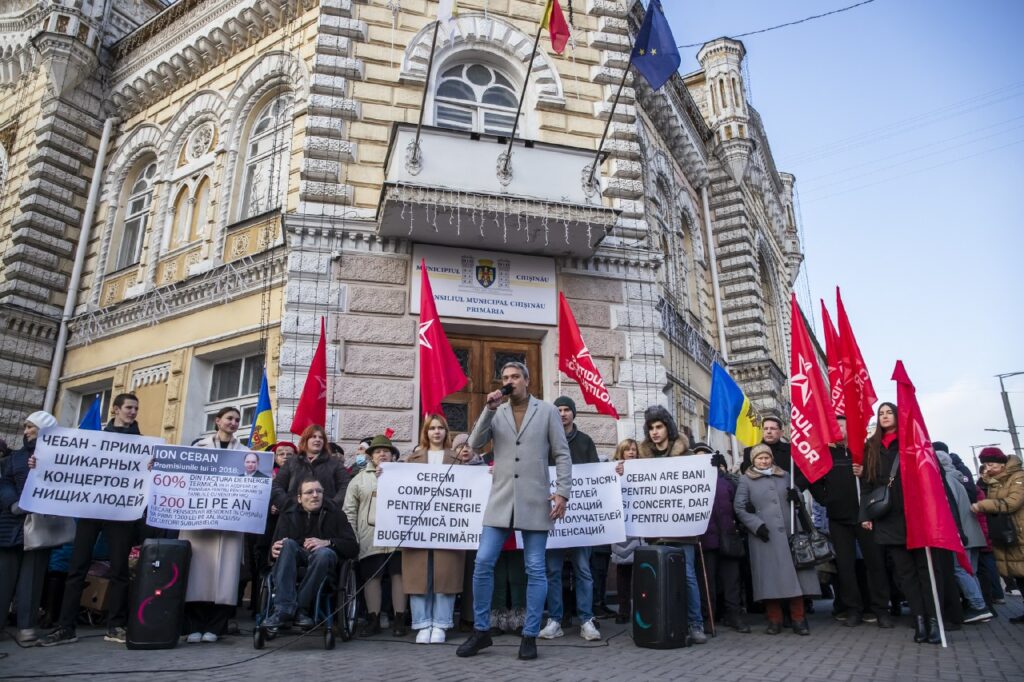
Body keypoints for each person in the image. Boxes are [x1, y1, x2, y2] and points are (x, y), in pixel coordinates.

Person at [456, 361, 572, 661]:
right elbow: (476, 444)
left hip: (535, 500)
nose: (510, 381)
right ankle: (482, 631)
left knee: (535, 568)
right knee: (483, 562)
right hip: (501, 500)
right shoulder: (498, 411)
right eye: (505, 377)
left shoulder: (546, 411)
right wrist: (488, 409)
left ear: (527, 380)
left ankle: (530, 635)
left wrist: (562, 493)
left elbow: (561, 453)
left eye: (515, 377)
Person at [40, 393, 143, 647]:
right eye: (129, 407)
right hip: (90, 507)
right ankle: (66, 626)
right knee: (77, 567)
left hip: (120, 511)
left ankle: (116, 625)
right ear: (116, 409)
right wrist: (38, 463)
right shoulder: (94, 438)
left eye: (136, 408)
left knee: (119, 569)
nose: (133, 412)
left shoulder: (141, 442)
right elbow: (67, 462)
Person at [860, 402, 942, 644]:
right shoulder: (871, 447)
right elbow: (867, 484)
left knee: (924, 570)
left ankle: (933, 620)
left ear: (898, 416)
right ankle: (918, 620)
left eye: (889, 413)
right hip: (888, 517)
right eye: (881, 413)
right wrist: (865, 515)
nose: (884, 417)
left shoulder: (911, 442)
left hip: (915, 513)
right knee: (905, 574)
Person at [806, 415, 891, 628]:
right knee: (845, 567)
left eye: (842, 425)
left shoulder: (864, 451)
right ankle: (853, 609)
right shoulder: (824, 454)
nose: (837, 429)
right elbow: (813, 479)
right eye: (834, 426)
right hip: (838, 518)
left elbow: (881, 478)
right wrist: (826, 499)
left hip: (865, 517)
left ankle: (881, 609)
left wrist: (863, 474)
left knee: (875, 564)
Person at [636, 405, 707, 644]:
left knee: (686, 576)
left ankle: (695, 623)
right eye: (651, 428)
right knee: (656, 576)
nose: (654, 432)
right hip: (656, 529)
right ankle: (660, 621)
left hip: (683, 529)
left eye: (659, 426)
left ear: (668, 427)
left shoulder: (686, 457)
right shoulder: (642, 459)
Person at [181, 406, 250, 643]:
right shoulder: (196, 448)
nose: (233, 423)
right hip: (199, 524)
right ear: (217, 421)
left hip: (228, 526)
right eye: (229, 418)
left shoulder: (246, 453)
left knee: (224, 578)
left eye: (237, 420)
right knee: (197, 576)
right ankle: (193, 626)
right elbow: (180, 476)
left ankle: (215, 627)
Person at [734, 444, 818, 635]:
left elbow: (798, 498)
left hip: (789, 533)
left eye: (767, 457)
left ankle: (798, 619)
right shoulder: (746, 480)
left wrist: (795, 496)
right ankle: (774, 620)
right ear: (753, 460)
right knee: (769, 580)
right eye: (759, 458)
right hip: (764, 537)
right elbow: (739, 507)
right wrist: (756, 525)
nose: (763, 461)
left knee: (796, 579)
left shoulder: (784, 475)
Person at [538, 396, 600, 642]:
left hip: (581, 518)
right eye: (559, 410)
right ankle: (555, 619)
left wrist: (614, 471)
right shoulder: (545, 441)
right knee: (552, 570)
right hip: (552, 516)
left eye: (566, 410)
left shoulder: (585, 441)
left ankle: (586, 619)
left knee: (583, 570)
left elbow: (596, 474)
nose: (562, 414)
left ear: (573, 414)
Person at [261, 477, 359, 629]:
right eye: (309, 492)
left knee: (323, 553)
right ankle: (284, 609)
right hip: (295, 560)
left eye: (319, 491)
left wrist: (328, 542)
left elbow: (353, 547)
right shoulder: (288, 514)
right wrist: (273, 551)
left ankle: (301, 608)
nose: (315, 495)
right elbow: (275, 547)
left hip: (326, 563)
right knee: (287, 544)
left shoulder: (336, 514)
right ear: (299, 498)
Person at [404, 414, 465, 644]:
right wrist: (384, 474)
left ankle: (441, 623)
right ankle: (421, 623)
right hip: (419, 528)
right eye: (432, 428)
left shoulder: (457, 459)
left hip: (447, 527)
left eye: (441, 428)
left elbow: (469, 489)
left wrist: (484, 475)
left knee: (444, 574)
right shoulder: (412, 459)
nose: (436, 432)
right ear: (426, 432)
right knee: (419, 575)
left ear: (446, 432)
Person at [0, 411, 58, 645]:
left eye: (30, 427)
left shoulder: (60, 458)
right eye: (25, 427)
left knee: (31, 580)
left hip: (40, 526)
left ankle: (26, 627)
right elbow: (4, 482)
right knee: (3, 578)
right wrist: (14, 503)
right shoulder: (13, 459)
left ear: (44, 430)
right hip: (10, 525)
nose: (25, 432)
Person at [343, 435, 407, 637]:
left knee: (399, 576)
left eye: (386, 451)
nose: (382, 454)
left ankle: (399, 619)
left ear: (392, 455)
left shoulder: (405, 475)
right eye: (378, 451)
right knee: (372, 578)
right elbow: (349, 511)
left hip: (398, 535)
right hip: (370, 536)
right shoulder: (359, 479)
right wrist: (353, 537)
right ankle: (373, 619)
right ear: (371, 456)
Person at [935, 446, 993, 623]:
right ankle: (980, 606)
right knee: (970, 571)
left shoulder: (946, 480)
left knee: (960, 569)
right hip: (973, 533)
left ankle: (978, 605)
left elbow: (951, 508)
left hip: (962, 534)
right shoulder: (957, 478)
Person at [971, 447, 1024, 624]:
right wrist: (986, 477)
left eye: (991, 464)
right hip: (1005, 532)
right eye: (985, 465)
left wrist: (984, 505)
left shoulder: (1018, 477)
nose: (988, 468)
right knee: (1018, 573)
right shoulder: (994, 481)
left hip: (1019, 530)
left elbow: (1012, 502)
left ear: (1002, 463)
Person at [699, 448, 750, 633]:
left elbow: (739, 507)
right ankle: (707, 617)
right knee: (707, 582)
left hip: (728, 536)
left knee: (732, 581)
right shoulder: (693, 483)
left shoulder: (727, 482)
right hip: (705, 539)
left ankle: (734, 615)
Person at [272, 424, 350, 511]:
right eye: (313, 437)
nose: (318, 439)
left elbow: (345, 487)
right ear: (305, 440)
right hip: (294, 516)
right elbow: (276, 486)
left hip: (326, 517)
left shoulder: (335, 464)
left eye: (321, 437)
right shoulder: (292, 462)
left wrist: (332, 506)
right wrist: (287, 505)